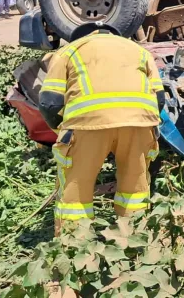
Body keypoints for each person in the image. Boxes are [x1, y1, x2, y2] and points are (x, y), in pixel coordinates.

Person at [39, 21, 166, 236]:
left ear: (81, 36)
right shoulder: (139, 51)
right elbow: (159, 98)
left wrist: (62, 133)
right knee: (134, 187)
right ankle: (134, 238)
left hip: (87, 124)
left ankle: (75, 242)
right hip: (140, 123)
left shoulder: (70, 51)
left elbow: (50, 103)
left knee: (75, 191)